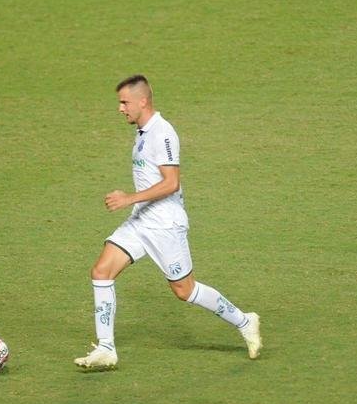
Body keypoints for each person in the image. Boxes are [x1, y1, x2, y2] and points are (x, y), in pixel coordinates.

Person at [73, 75, 261, 370]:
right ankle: (106, 348)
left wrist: (129, 198)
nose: (120, 108)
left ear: (142, 101)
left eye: (124, 102)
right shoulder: (143, 132)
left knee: (185, 290)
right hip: (141, 221)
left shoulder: (162, 133)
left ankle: (245, 321)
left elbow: (171, 183)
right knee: (101, 271)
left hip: (165, 226)